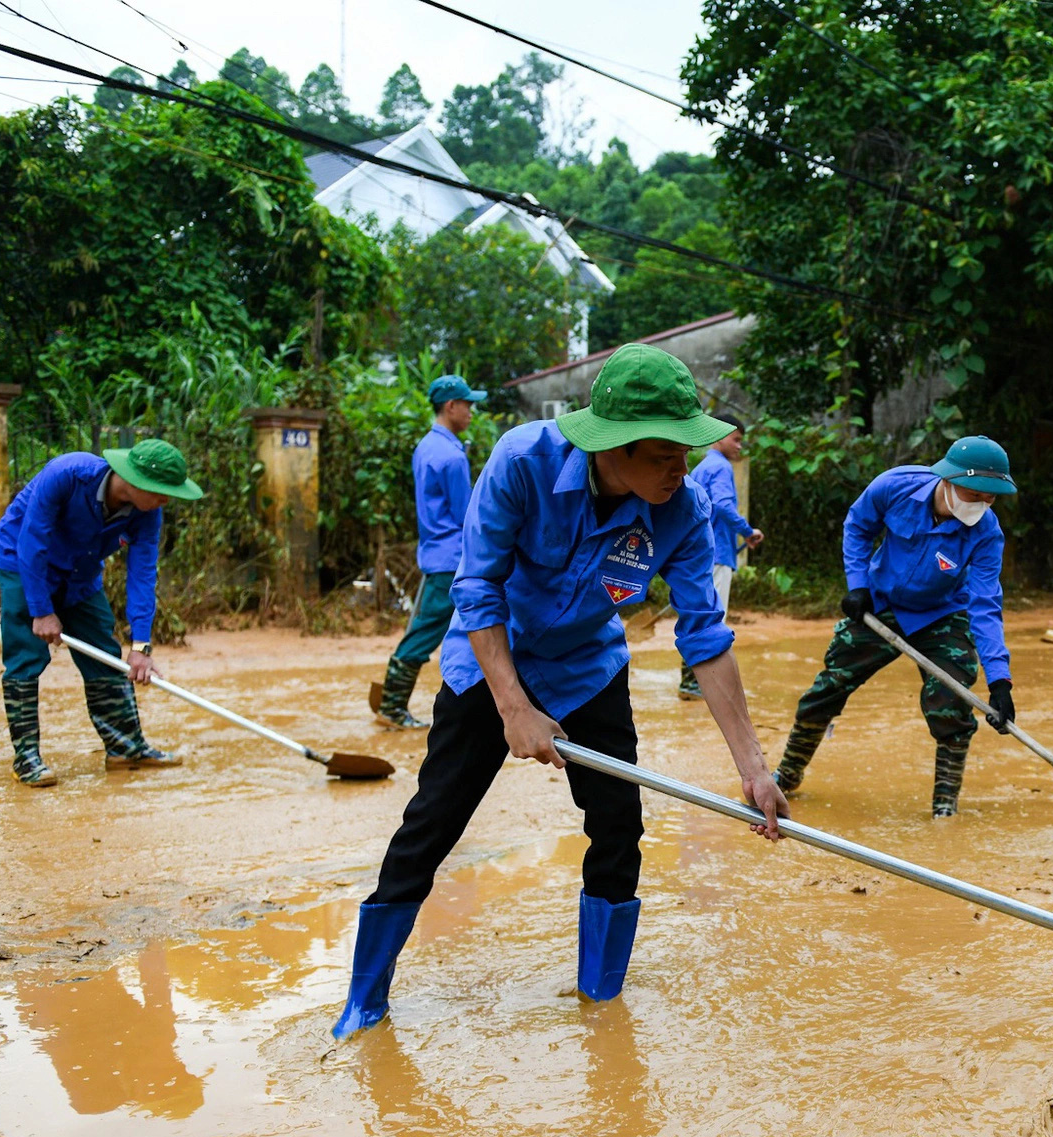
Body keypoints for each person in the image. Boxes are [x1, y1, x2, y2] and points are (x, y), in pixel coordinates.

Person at [333, 345, 789, 1040]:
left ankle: (602, 998)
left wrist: (754, 768)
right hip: (492, 658)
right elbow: (477, 585)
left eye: (686, 452)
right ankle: (364, 1000)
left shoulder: (683, 509)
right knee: (432, 824)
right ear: (614, 447)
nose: (682, 469)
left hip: (587, 666)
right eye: (666, 454)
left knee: (618, 828)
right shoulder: (523, 462)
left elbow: (705, 637)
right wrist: (514, 708)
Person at [772, 436, 1017, 819]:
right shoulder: (896, 486)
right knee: (827, 688)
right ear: (949, 481)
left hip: (940, 617)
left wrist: (1000, 681)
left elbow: (985, 605)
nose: (984, 504)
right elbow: (858, 526)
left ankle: (944, 808)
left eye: (992, 497)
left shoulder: (986, 534)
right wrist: (857, 585)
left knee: (951, 708)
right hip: (879, 606)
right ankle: (786, 776)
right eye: (976, 494)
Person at [0, 438, 202, 787]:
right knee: (26, 656)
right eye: (162, 492)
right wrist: (42, 610)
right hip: (25, 562)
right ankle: (26, 757)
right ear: (135, 482)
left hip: (81, 574)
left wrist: (140, 646)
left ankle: (125, 748)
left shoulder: (148, 513)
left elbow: (143, 572)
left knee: (106, 655)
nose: (166, 500)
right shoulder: (67, 475)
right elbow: (32, 540)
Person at [372, 375, 488, 729]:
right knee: (433, 630)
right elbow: (465, 513)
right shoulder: (452, 455)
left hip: (434, 553)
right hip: (452, 558)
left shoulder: (425, 446)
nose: (471, 411)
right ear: (450, 406)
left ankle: (395, 701)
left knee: (457, 628)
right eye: (467, 404)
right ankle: (392, 707)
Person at [678, 417, 764, 700]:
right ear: (719, 436)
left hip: (697, 554)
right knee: (713, 620)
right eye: (736, 439)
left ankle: (690, 682)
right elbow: (724, 505)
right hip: (717, 552)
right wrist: (748, 531)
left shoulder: (701, 467)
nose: (740, 446)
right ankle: (694, 683)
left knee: (699, 613)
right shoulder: (721, 467)